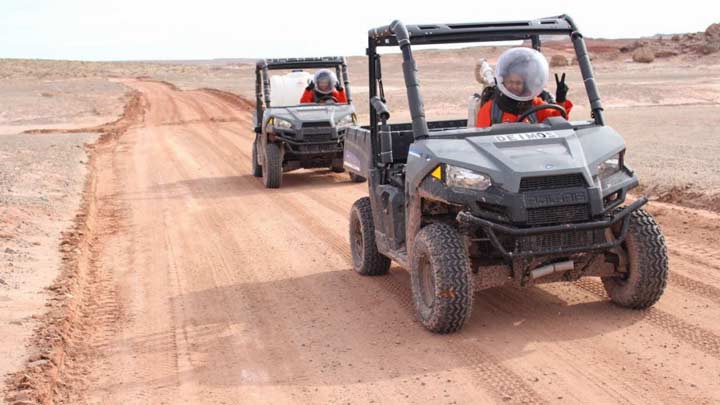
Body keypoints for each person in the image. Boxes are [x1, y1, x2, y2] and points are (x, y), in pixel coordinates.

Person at [475, 47, 572, 127]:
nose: (514, 86)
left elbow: (558, 122)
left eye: (518, 83)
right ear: (503, 82)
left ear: (525, 84)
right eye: (510, 82)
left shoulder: (536, 105)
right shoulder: (492, 109)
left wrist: (561, 100)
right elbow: (482, 137)